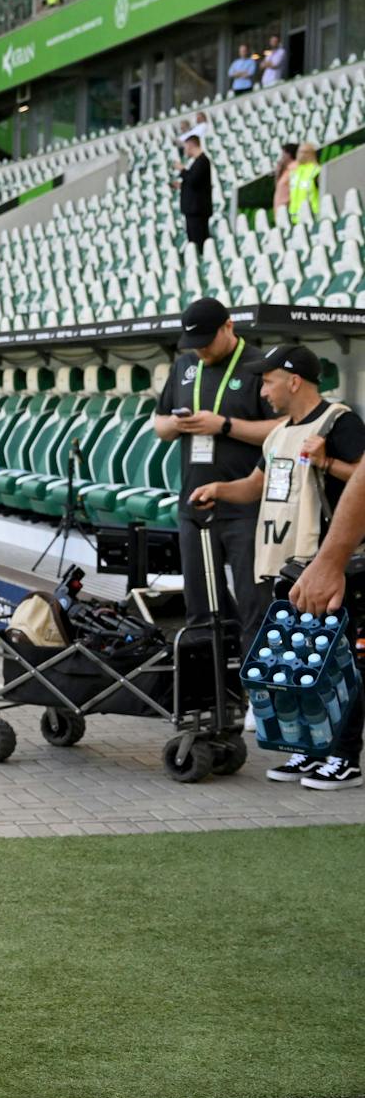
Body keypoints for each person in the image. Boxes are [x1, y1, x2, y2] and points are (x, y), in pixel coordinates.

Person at [190, 344, 362, 790]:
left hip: (327, 565)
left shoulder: (340, 422)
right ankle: (310, 748)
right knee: (297, 661)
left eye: (266, 380)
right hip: (282, 565)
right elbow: (257, 486)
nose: (260, 389)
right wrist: (220, 489)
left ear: (293, 380)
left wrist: (327, 462)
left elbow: (360, 475)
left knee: (336, 663)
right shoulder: (279, 432)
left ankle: (345, 757)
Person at [154, 297, 274, 657]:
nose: (201, 350)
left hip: (246, 506)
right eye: (194, 344)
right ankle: (212, 688)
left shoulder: (258, 365)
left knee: (255, 603)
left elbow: (283, 428)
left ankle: (259, 695)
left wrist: (223, 425)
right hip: (194, 503)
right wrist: (177, 424)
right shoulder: (185, 364)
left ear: (229, 327)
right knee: (202, 606)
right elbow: (159, 424)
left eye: (207, 341)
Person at [176, 133, 213, 253]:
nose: (185, 150)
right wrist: (181, 185)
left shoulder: (202, 161)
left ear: (191, 145)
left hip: (198, 211)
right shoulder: (197, 162)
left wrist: (182, 169)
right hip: (193, 211)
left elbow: (194, 180)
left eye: (186, 146)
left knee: (198, 242)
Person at [288, 142, 321, 227]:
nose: (299, 155)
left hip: (312, 217)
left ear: (310, 154)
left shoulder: (316, 171)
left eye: (303, 152)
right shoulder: (294, 173)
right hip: (294, 220)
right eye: (298, 152)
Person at [273, 142, 298, 215]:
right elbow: (278, 188)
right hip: (280, 211)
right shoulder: (286, 170)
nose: (281, 157)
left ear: (289, 155)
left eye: (283, 154)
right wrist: (278, 173)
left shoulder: (295, 168)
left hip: (288, 210)